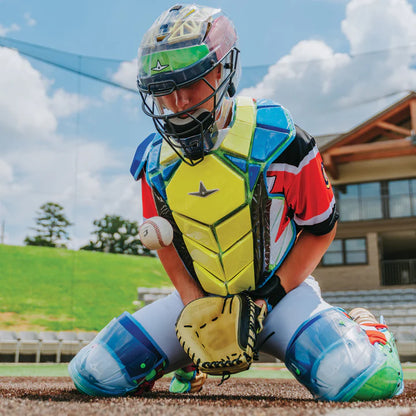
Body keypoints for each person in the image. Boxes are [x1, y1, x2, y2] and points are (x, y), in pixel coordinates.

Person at [68, 4, 403, 400]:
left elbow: (321, 229)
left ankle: (368, 333)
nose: (176, 102)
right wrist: (197, 310)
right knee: (96, 374)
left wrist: (266, 300)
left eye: (188, 83)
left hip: (283, 299)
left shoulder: (284, 142)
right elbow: (167, 245)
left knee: (357, 381)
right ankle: (191, 364)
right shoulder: (152, 162)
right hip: (203, 300)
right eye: (162, 91)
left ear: (222, 70)